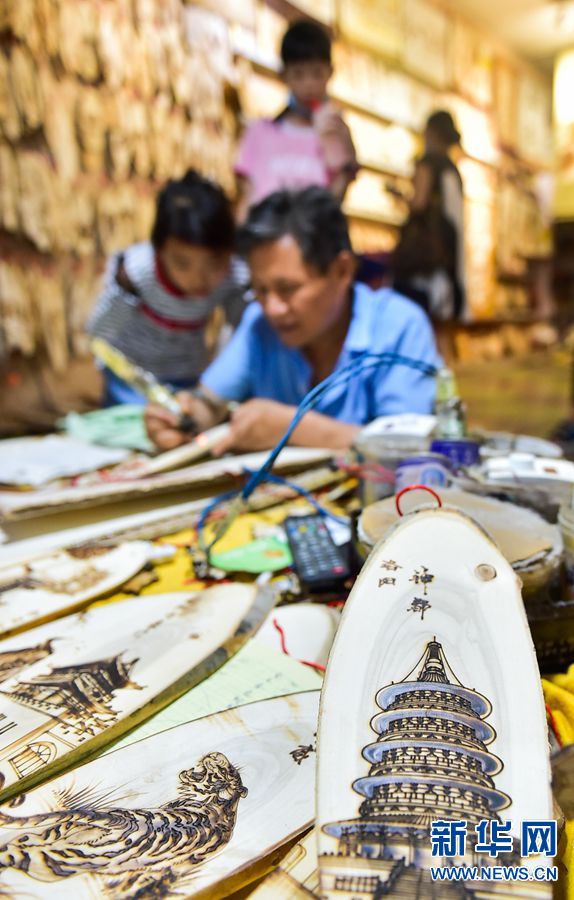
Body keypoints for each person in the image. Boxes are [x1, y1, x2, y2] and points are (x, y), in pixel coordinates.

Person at [145, 187, 440, 455]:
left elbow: (410, 447)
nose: (272, 307)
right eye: (259, 290)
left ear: (342, 270)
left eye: (287, 289)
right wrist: (184, 418)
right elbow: (210, 402)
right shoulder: (258, 324)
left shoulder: (399, 327)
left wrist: (293, 428)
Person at [88, 170, 248, 406]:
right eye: (183, 264)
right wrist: (123, 291)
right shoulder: (136, 271)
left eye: (214, 263)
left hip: (186, 379)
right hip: (130, 380)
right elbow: (99, 331)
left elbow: (244, 333)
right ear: (158, 250)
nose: (199, 278)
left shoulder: (233, 275)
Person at [234, 20, 358, 221]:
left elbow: (336, 201)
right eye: (299, 74)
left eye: (317, 73)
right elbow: (246, 199)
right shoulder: (259, 132)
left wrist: (342, 156)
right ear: (283, 75)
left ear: (331, 72)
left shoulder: (336, 133)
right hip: (266, 248)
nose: (309, 84)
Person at [392, 110, 467, 321]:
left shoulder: (427, 162)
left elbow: (419, 204)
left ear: (431, 132)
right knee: (441, 323)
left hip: (424, 257)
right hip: (448, 254)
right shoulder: (453, 170)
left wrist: (399, 197)